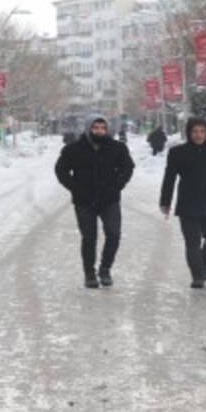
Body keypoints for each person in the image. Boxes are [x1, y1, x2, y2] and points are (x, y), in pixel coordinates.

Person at [54, 115, 135, 289]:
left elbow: (127, 167)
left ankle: (105, 269)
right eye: (95, 128)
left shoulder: (117, 148)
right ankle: (89, 273)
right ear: (89, 128)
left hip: (109, 199)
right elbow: (61, 170)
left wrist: (117, 185)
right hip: (84, 200)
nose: (99, 131)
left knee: (114, 234)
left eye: (102, 128)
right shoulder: (74, 149)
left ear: (107, 129)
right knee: (89, 237)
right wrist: (74, 187)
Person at [160, 117, 206, 289]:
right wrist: (165, 201)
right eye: (194, 131)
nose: (198, 135)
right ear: (189, 133)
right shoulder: (177, 152)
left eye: (202, 131)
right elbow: (169, 179)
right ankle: (198, 275)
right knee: (192, 242)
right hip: (188, 202)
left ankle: (201, 264)